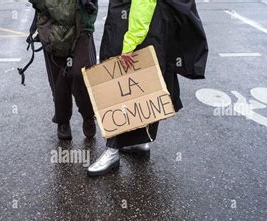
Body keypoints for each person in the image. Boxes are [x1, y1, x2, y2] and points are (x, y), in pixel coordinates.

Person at [87, 0, 208, 176]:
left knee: (121, 88)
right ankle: (142, 140)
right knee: (146, 83)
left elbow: (143, 3)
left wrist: (130, 41)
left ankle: (112, 150)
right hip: (151, 25)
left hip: (135, 26)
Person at [25, 0, 98, 141]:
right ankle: (63, 121)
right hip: (51, 25)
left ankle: (88, 115)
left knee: (80, 74)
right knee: (58, 79)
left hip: (80, 23)